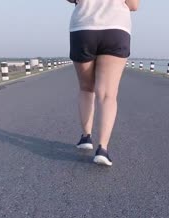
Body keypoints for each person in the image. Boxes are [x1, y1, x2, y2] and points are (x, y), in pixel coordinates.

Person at [67, 0, 139, 166]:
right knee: (107, 95)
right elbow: (133, 5)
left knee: (86, 88)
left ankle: (86, 137)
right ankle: (103, 149)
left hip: (84, 27)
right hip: (116, 27)